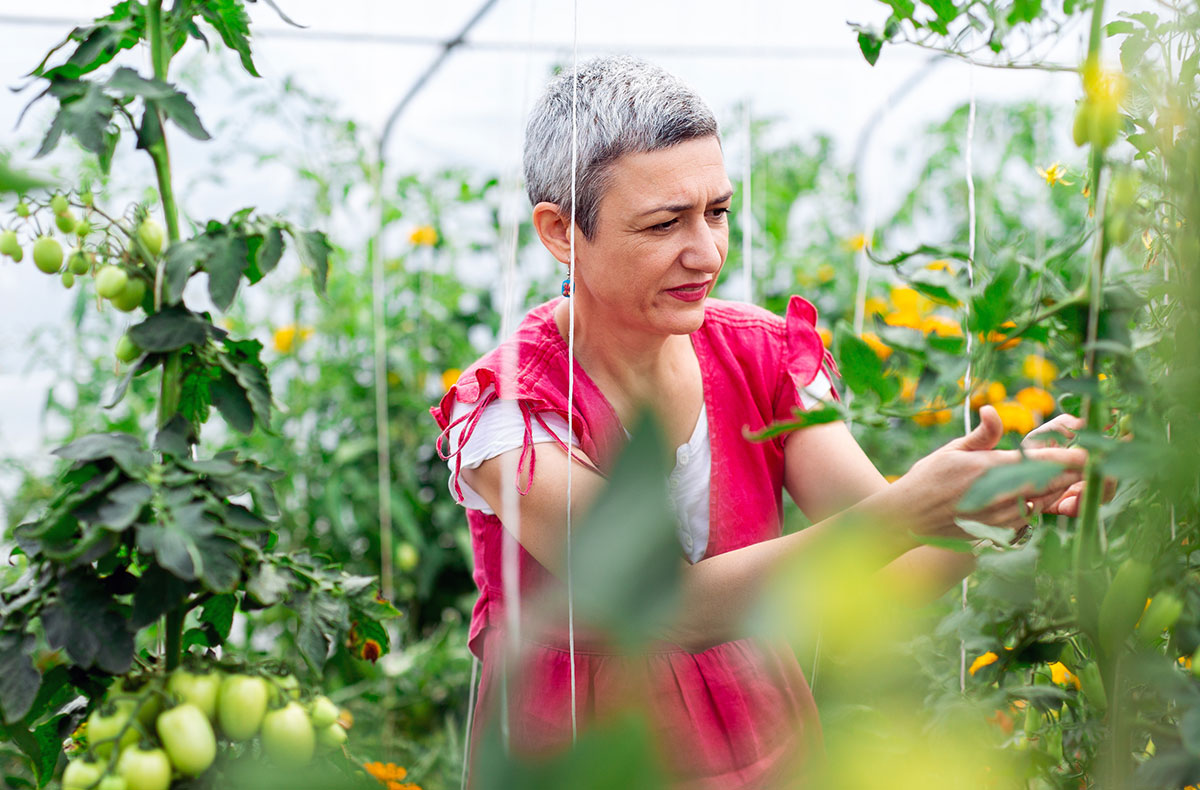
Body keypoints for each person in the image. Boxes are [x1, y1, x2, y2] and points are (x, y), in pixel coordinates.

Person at [431, 55, 1091, 788]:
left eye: (716, 211)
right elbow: (663, 605)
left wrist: (1011, 496)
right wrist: (907, 506)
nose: (707, 253)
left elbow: (898, 570)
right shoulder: (506, 409)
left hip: (759, 742)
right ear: (560, 231)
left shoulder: (765, 356)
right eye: (663, 223)